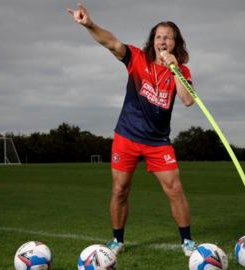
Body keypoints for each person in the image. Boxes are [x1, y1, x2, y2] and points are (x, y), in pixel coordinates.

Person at [67, 3, 197, 256]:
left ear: (175, 43)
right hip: (126, 136)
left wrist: (175, 68)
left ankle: (187, 242)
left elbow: (188, 100)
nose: (162, 40)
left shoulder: (181, 70)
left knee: (175, 189)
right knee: (119, 189)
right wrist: (89, 25)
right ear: (153, 41)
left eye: (167, 37)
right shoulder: (137, 58)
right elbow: (112, 43)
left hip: (158, 142)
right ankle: (117, 240)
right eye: (158, 36)